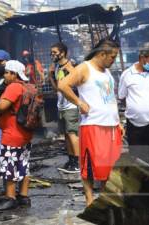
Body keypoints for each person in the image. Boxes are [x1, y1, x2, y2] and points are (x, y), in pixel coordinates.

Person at [58, 39, 123, 206]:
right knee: (90, 166)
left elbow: (110, 98)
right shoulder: (84, 68)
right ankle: (89, 199)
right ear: (102, 54)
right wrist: (79, 102)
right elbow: (63, 85)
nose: (113, 60)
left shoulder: (105, 71)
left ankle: (104, 198)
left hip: (112, 126)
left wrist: (118, 121)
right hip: (93, 125)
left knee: (109, 167)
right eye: (112, 57)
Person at [0, 60, 33, 211]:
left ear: (14, 74)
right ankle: (24, 197)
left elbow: (2, 106)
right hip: (25, 133)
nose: (5, 75)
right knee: (24, 165)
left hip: (12, 133)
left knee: (9, 165)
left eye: (7, 72)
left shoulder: (13, 87)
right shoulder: (28, 86)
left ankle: (11, 197)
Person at [48, 42, 80, 173]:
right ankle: (71, 160)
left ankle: (78, 163)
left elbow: (77, 81)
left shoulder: (72, 66)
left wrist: (69, 68)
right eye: (51, 53)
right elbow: (58, 88)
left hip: (71, 106)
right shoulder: (57, 68)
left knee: (73, 134)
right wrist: (50, 76)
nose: (52, 55)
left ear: (63, 53)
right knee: (66, 134)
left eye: (55, 52)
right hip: (61, 105)